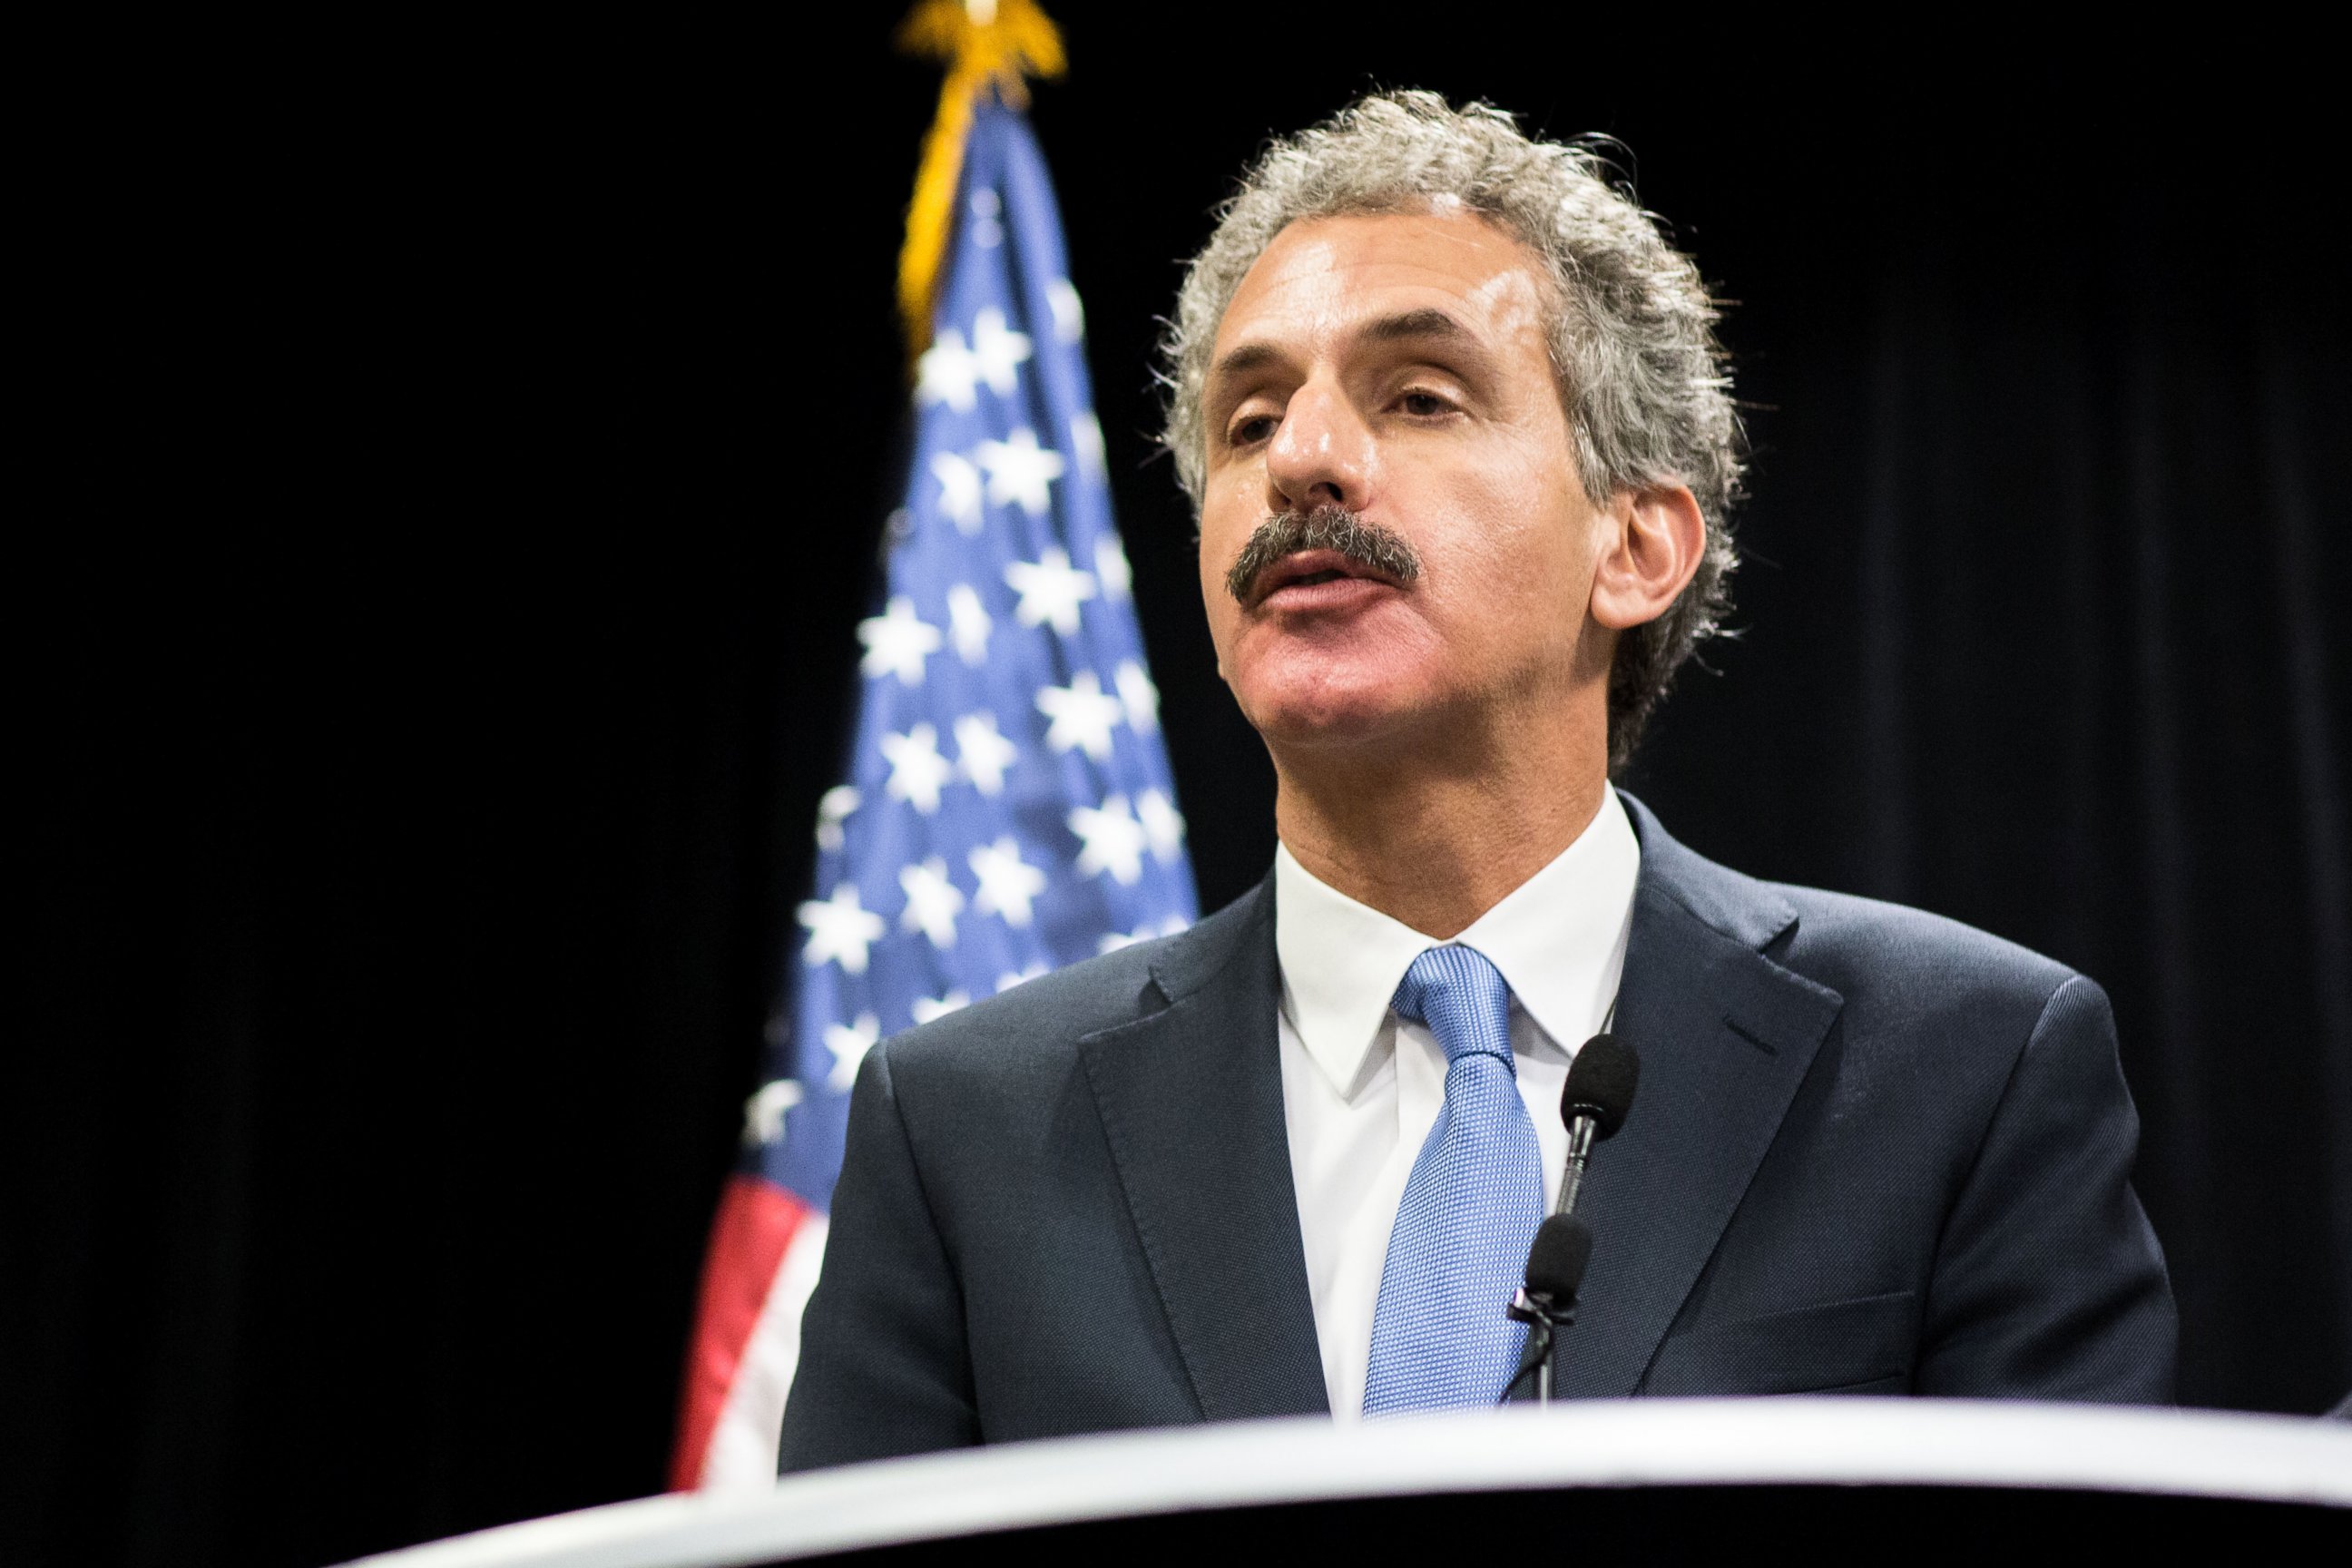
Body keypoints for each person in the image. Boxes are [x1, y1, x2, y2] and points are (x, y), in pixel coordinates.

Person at [779, 91, 2174, 1470]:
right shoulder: (962, 1130)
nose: (1304, 461)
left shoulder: (1963, 1071)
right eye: (1249, 420)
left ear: (1634, 546)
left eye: (1420, 396)